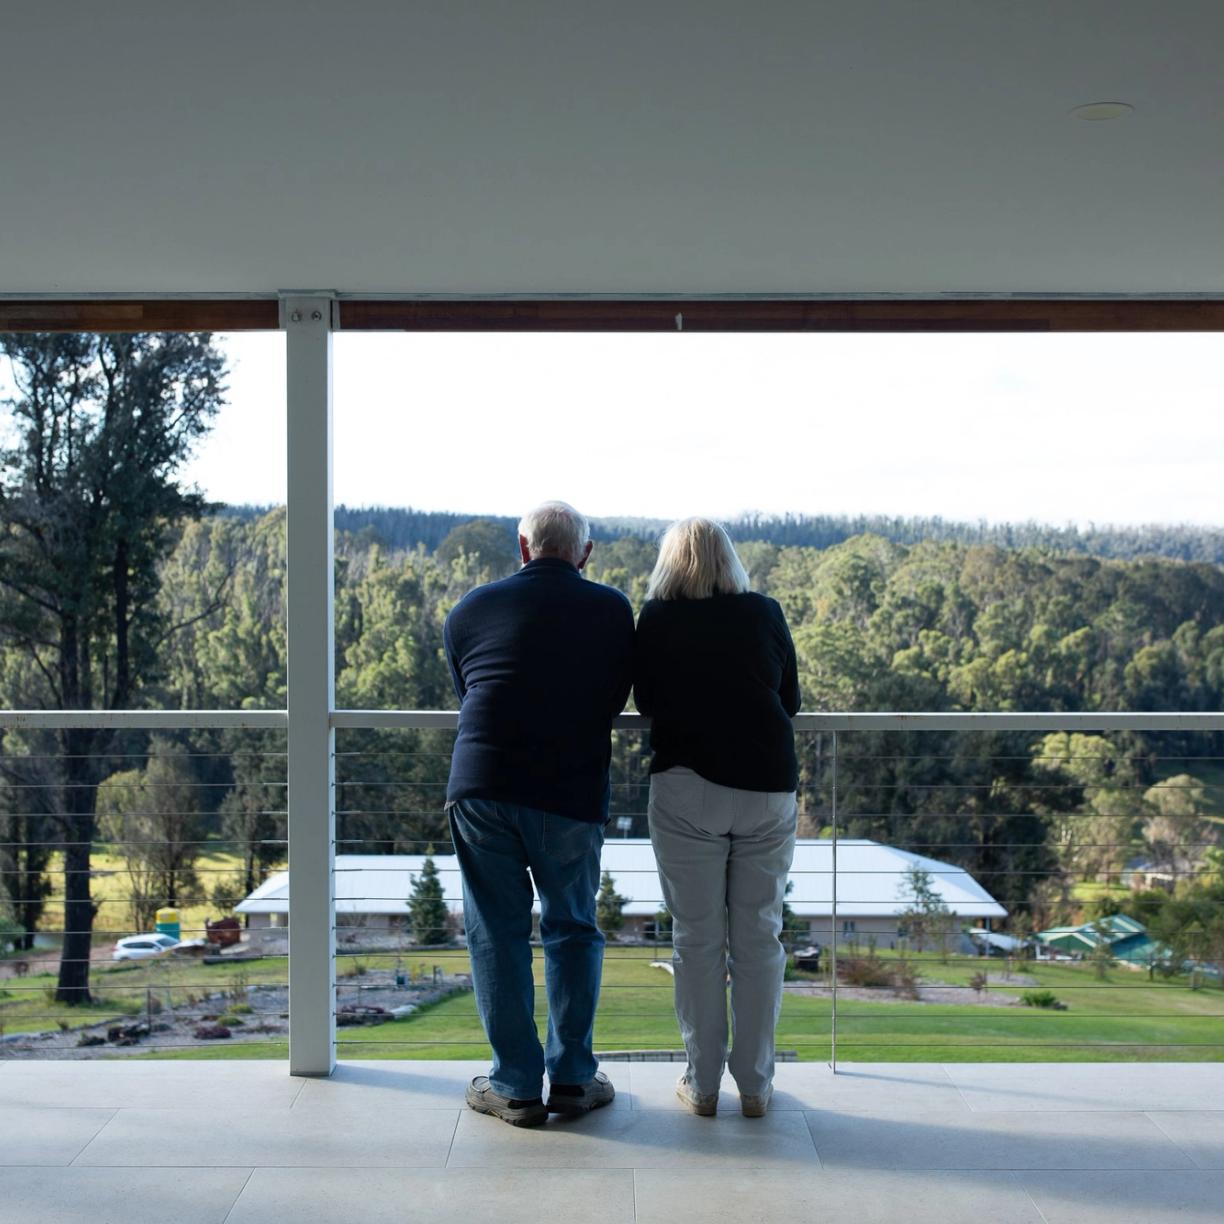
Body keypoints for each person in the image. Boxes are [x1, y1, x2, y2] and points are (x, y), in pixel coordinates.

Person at [445, 500, 634, 1127]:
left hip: (483, 784)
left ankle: (515, 1087)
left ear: (523, 548)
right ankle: (574, 1080)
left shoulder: (470, 608)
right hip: (569, 791)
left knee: (495, 933)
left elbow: (470, 689)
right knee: (572, 928)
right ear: (586, 553)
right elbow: (612, 698)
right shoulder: (612, 610)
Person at [634, 517, 800, 1118]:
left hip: (688, 788)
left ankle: (702, 1084)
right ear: (731, 561)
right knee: (759, 937)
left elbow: (646, 703)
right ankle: (755, 1085)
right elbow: (790, 700)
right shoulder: (764, 612)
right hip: (767, 787)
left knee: (697, 940)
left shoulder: (656, 617)